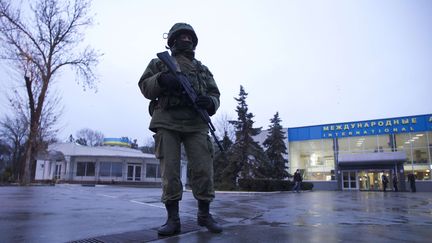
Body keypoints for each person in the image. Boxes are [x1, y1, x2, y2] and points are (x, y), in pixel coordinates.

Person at [138, 23, 222, 235]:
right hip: (167, 120)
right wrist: (162, 79)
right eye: (181, 36)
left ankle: (204, 215)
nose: (186, 40)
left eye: (189, 37)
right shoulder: (159, 63)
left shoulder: (202, 69)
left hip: (196, 123)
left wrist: (210, 103)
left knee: (204, 169)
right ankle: (172, 220)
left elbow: (215, 94)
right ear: (172, 40)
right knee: (171, 171)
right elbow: (145, 86)